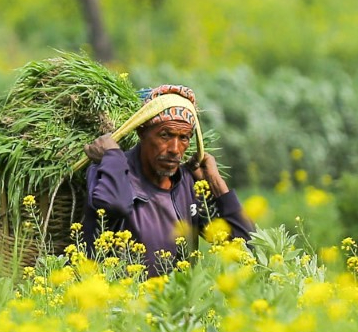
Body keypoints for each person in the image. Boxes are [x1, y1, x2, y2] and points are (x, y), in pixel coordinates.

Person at [81, 84, 253, 277]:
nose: (174, 148)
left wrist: (217, 185)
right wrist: (113, 156)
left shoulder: (187, 184)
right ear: (142, 132)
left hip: (176, 304)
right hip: (124, 303)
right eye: (165, 135)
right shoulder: (110, 170)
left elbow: (245, 247)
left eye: (184, 138)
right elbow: (115, 205)